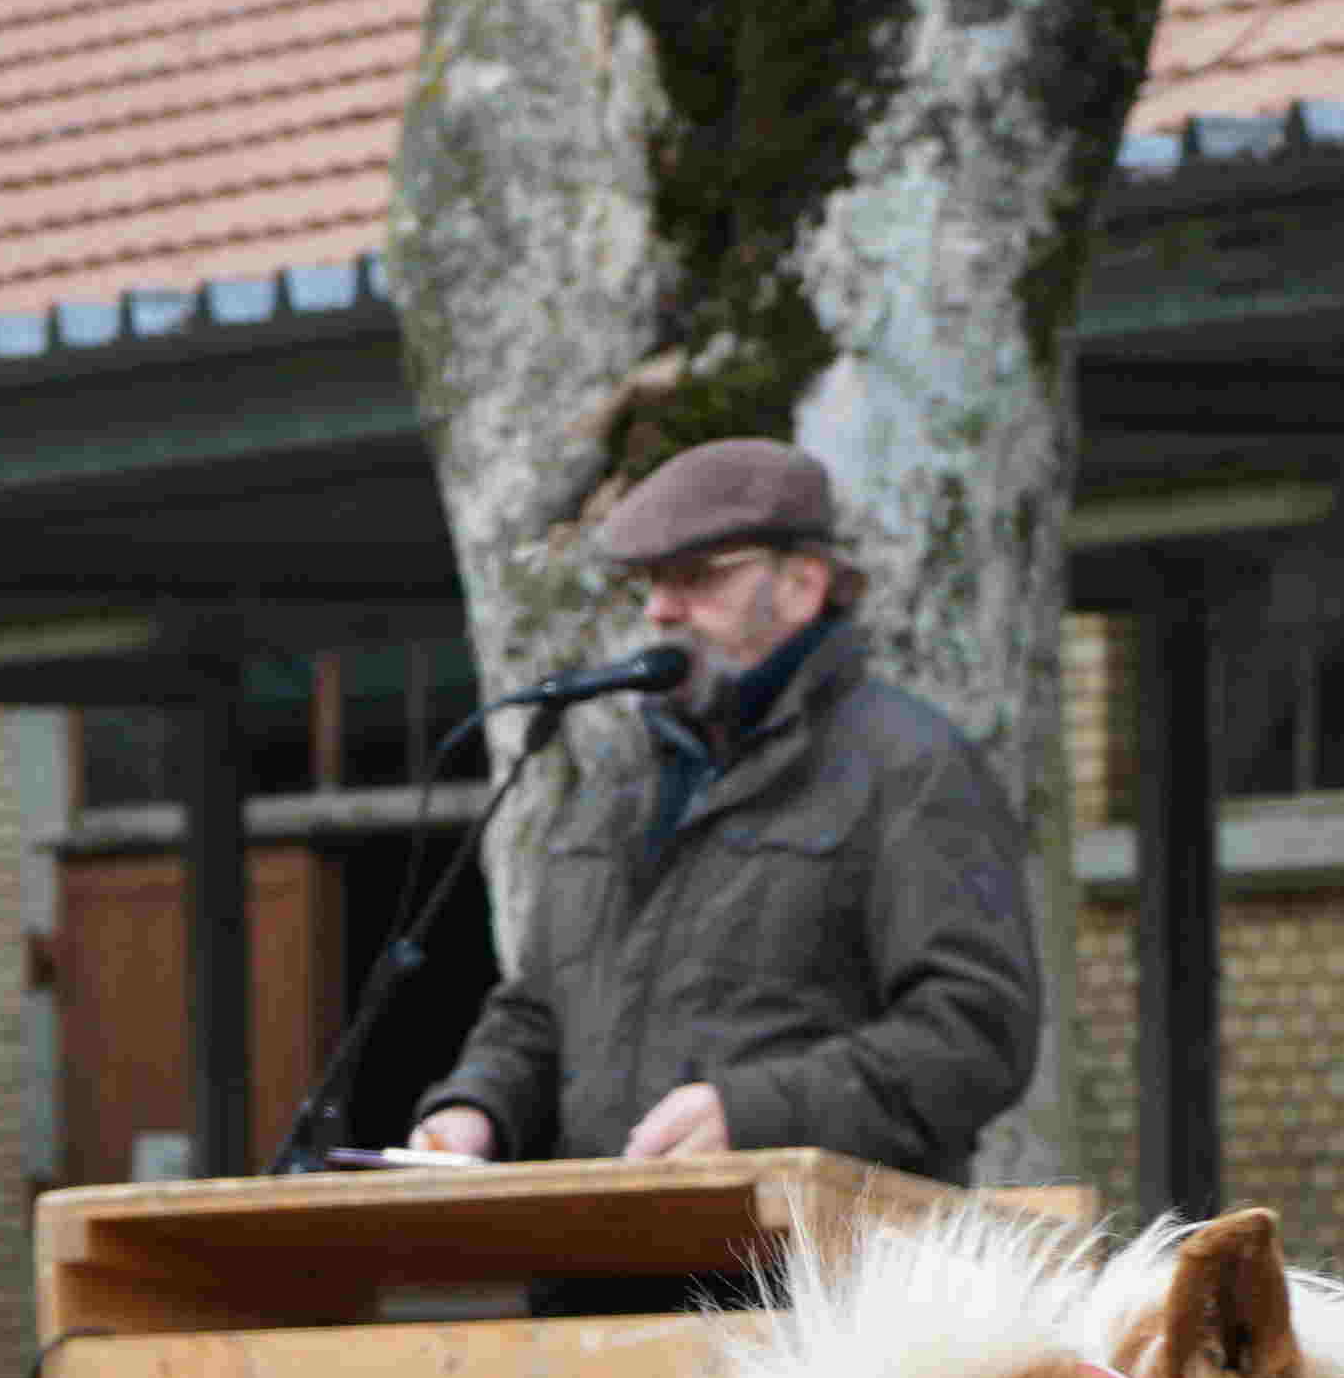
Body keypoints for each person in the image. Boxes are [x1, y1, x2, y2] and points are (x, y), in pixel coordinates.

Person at [407, 435, 1043, 1182]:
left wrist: (753, 1115)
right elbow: (539, 1017)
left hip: (809, 1275)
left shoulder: (910, 767)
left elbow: (976, 1030)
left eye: (698, 580)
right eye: (651, 584)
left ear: (804, 585)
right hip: (598, 1262)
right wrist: (476, 1108)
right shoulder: (615, 783)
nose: (661, 610)